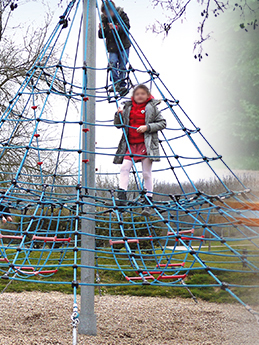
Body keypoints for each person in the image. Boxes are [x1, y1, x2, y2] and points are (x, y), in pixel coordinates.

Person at [113, 84, 166, 215]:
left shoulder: (152, 107)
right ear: (133, 96)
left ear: (148, 96)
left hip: (145, 144)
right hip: (130, 144)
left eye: (143, 94)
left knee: (146, 173)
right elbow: (118, 124)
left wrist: (147, 127)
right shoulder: (127, 107)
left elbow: (163, 123)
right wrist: (118, 114)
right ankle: (122, 198)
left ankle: (148, 200)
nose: (140, 96)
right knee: (124, 168)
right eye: (137, 94)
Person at [98, 0, 131, 96]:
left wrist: (116, 27)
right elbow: (102, 36)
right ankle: (115, 83)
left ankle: (122, 84)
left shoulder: (121, 15)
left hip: (123, 45)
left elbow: (127, 27)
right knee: (112, 64)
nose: (107, 15)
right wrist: (101, 30)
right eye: (105, 14)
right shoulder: (104, 19)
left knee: (122, 65)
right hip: (112, 47)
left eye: (109, 13)